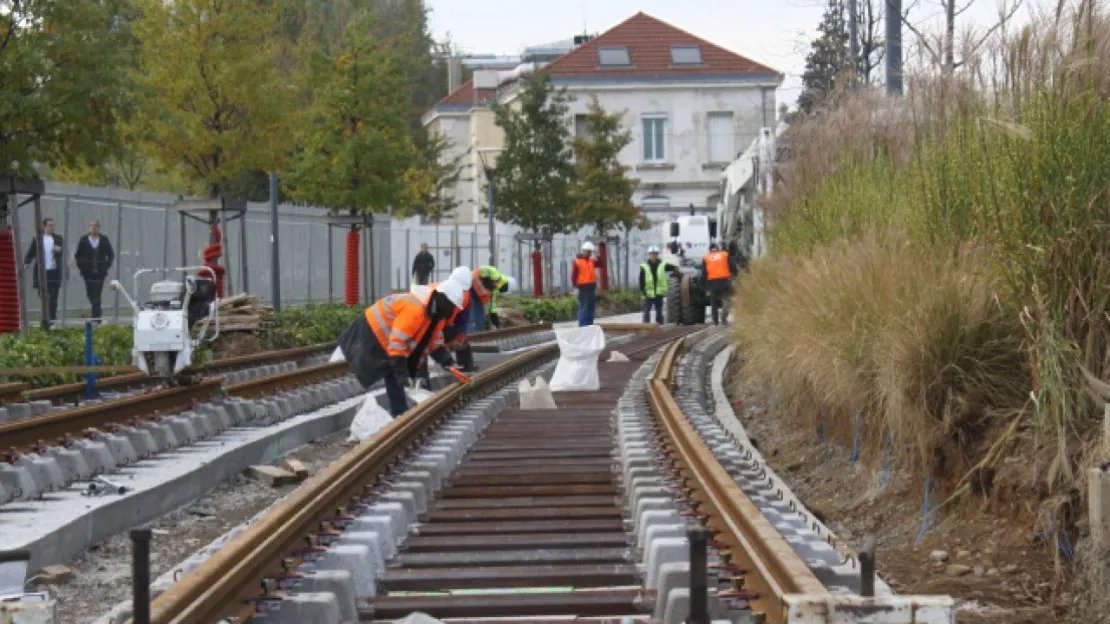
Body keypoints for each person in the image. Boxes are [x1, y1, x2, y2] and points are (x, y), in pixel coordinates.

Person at [336, 280, 465, 418]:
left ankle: (400, 412)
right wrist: (401, 371)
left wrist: (447, 361)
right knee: (391, 370)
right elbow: (397, 343)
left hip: (386, 336)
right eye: (452, 306)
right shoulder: (415, 309)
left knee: (393, 370)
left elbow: (434, 343)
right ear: (443, 299)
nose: (452, 311)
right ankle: (399, 412)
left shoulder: (436, 315)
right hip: (371, 331)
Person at [23, 217, 64, 323]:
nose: (52, 227)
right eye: (50, 225)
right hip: (41, 272)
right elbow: (31, 253)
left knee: (53, 298)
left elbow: (61, 251)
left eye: (53, 225)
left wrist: (56, 249)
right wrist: (26, 265)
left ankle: (52, 319)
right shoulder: (38, 239)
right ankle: (45, 319)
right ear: (44, 226)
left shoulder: (58, 238)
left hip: (54, 272)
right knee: (44, 297)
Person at [74, 220, 115, 321]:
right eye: (92, 226)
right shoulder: (84, 240)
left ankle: (96, 318)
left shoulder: (104, 240)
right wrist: (82, 267)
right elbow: (78, 255)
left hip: (100, 273)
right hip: (87, 273)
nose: (94, 228)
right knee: (90, 294)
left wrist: (106, 266)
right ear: (89, 227)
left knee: (97, 294)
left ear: (99, 228)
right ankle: (97, 310)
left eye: (96, 226)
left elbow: (111, 254)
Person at [639, 245, 679, 325]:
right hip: (648, 293)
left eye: (655, 254)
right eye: (652, 254)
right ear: (649, 255)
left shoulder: (662, 265)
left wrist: (675, 270)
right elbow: (641, 279)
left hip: (658, 293)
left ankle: (660, 325)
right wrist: (643, 290)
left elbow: (673, 267)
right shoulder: (644, 266)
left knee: (659, 311)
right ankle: (646, 325)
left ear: (657, 255)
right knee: (647, 310)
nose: (653, 255)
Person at [702, 243, 733, 325]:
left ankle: (715, 321)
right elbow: (732, 267)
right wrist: (735, 274)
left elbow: (703, 274)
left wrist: (704, 286)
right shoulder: (725, 255)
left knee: (713, 302)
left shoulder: (706, 257)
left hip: (712, 283)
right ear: (718, 248)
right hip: (725, 281)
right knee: (726, 300)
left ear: (710, 250)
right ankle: (724, 317)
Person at [467, 265, 505, 333]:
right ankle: (472, 334)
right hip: (472, 291)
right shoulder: (478, 277)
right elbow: (483, 292)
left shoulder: (492, 280)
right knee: (471, 316)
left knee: (478, 315)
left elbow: (491, 307)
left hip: (477, 295)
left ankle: (479, 332)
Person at [571, 241, 598, 327]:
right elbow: (574, 276)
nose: (589, 253)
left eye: (590, 251)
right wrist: (575, 288)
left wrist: (598, 256)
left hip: (591, 288)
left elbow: (602, 264)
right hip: (583, 288)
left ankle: (589, 325)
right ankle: (583, 326)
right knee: (584, 308)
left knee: (591, 308)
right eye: (587, 251)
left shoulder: (591, 261)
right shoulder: (577, 262)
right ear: (583, 251)